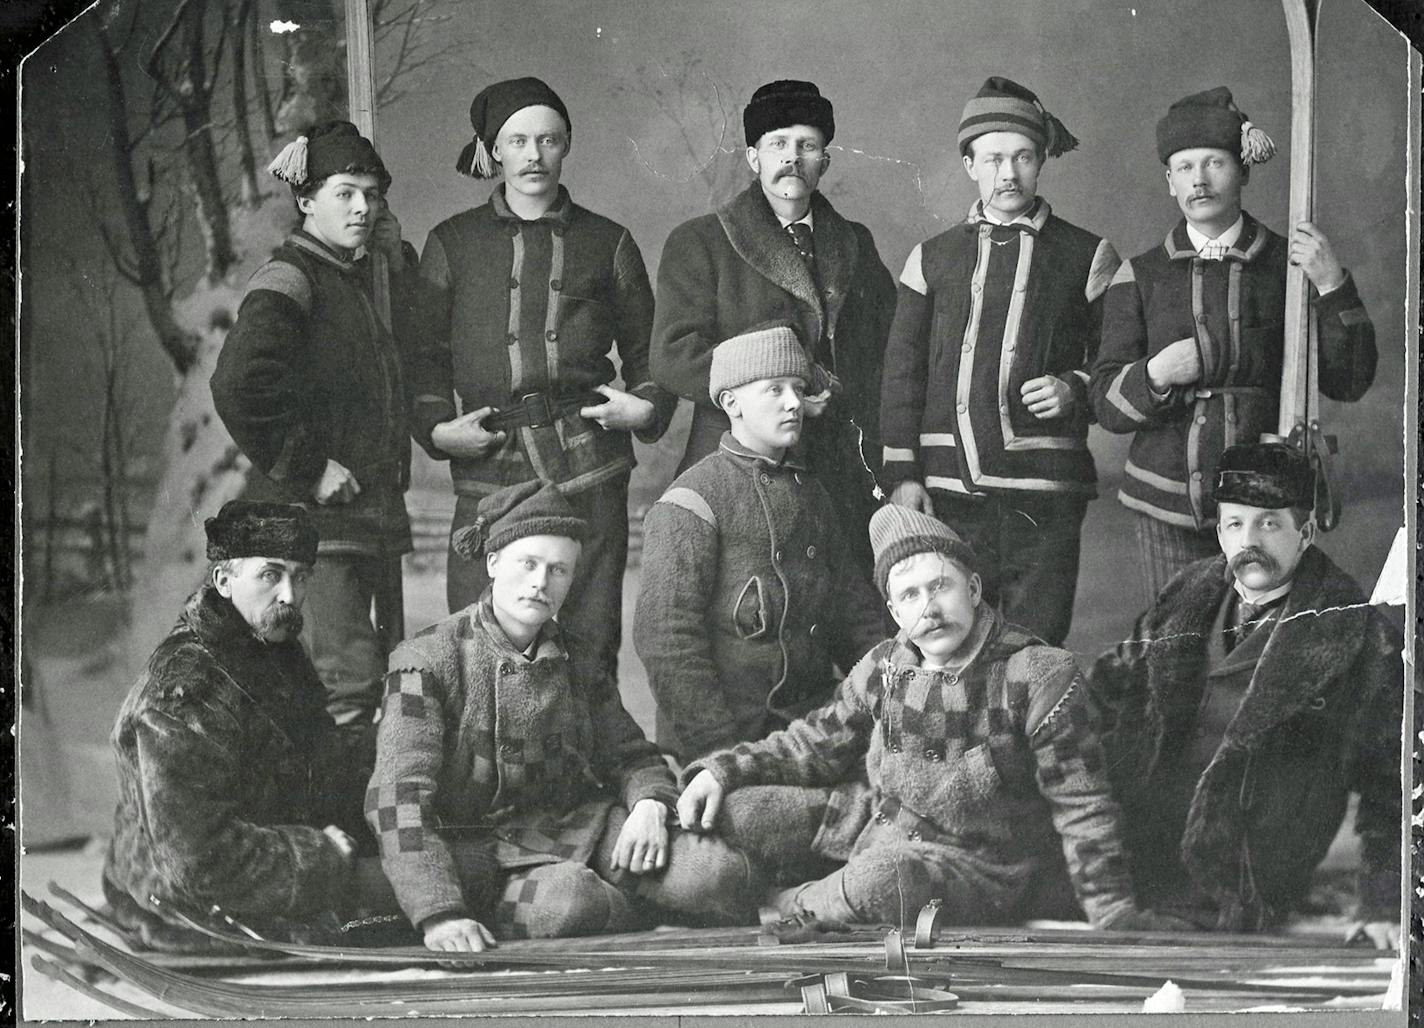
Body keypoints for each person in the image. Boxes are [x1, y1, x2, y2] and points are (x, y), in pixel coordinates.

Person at [676, 504, 1166, 931]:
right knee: (738, 812)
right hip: (874, 822)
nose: (928, 609)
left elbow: (1083, 802)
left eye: (940, 587)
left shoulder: (1036, 673)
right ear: (893, 610)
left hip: (976, 866)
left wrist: (1112, 913)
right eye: (909, 595)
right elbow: (811, 746)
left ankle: (791, 904)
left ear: (973, 589)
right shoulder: (886, 664)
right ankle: (830, 894)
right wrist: (721, 771)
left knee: (882, 879)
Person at [366, 481, 756, 951]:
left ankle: (641, 904)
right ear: (493, 563)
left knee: (716, 875)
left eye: (558, 570)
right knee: (570, 903)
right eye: (527, 563)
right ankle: (640, 912)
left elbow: (632, 755)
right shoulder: (427, 660)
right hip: (484, 850)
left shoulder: (578, 656)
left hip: (577, 826)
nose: (540, 582)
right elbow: (395, 800)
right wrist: (439, 913)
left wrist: (651, 803)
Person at [407, 77, 675, 678]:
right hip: (488, 465)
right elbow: (422, 358)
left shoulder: (609, 242)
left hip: (590, 465)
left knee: (589, 638)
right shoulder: (451, 243)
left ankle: (591, 771)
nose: (533, 155)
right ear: (493, 151)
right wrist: (436, 430)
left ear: (567, 145)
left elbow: (649, 352)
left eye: (548, 140)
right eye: (518, 141)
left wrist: (645, 407)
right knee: (476, 643)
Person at [1087, 442, 1401, 947]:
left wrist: (1385, 900)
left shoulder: (1359, 636)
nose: (1249, 540)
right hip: (1140, 853)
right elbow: (1101, 698)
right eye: (1235, 524)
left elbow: (1395, 780)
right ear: (1219, 533)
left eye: (1269, 523)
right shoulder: (1185, 597)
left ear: (1305, 534)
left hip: (1248, 875)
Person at [1090, 87, 1377, 602]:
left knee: (1258, 645)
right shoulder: (1141, 274)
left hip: (1265, 507)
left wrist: (1333, 285)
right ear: (1169, 181)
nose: (1199, 179)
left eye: (1215, 163)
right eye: (1184, 167)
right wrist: (1156, 374)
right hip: (1168, 504)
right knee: (1180, 643)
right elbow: (1106, 403)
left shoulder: (1289, 266)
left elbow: (1350, 381)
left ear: (1243, 170)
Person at [879, 77, 1119, 645]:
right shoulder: (931, 258)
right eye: (992, 159)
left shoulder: (1088, 254)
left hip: (1047, 491)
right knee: (958, 640)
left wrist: (1076, 387)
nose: (1007, 173)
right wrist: (903, 474)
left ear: (1041, 163)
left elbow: (1117, 360)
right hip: (949, 491)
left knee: (1036, 641)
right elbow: (901, 373)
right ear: (969, 165)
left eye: (1022, 157)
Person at [102, 502, 380, 950]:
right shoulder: (186, 684)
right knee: (439, 890)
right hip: (190, 903)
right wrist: (322, 855)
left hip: (261, 873)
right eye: (271, 575)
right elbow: (197, 859)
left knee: (436, 869)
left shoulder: (274, 652)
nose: (290, 594)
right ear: (223, 581)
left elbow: (319, 770)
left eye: (301, 576)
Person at [211, 120, 416, 725]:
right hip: (319, 524)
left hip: (366, 515)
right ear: (306, 202)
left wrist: (395, 262)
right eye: (346, 193)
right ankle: (344, 819)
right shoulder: (292, 278)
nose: (362, 207)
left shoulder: (356, 279)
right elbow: (236, 385)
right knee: (348, 683)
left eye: (372, 195)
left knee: (377, 676)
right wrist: (309, 467)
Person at [651, 79, 896, 572]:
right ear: (753, 157)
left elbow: (887, 352)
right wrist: (780, 391)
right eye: (778, 144)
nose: (793, 158)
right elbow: (673, 355)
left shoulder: (855, 243)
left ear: (824, 161)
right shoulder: (701, 242)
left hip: (838, 467)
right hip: (737, 462)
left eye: (807, 146)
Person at [634, 322, 887, 763]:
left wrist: (889, 700)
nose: (794, 403)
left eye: (798, 388)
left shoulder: (812, 494)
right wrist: (728, 758)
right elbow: (668, 645)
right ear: (731, 402)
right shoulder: (691, 502)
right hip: (724, 742)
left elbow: (856, 616)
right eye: (774, 389)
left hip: (810, 732)